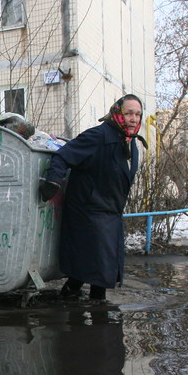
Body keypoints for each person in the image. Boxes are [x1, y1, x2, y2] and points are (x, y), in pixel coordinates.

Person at [39, 94, 147, 301]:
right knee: (99, 271)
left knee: (87, 270)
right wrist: (53, 182)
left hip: (109, 213)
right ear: (117, 113)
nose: (134, 118)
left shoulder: (128, 141)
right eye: (129, 113)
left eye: (138, 114)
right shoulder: (98, 136)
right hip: (88, 213)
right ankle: (99, 319)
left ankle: (71, 307)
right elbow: (63, 155)